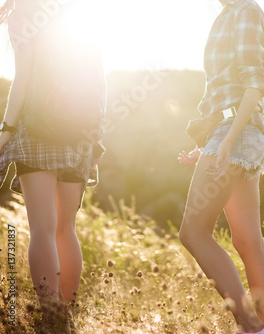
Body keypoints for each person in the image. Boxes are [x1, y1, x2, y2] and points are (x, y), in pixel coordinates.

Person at [0, 0, 105, 328]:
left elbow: (23, 77)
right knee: (65, 228)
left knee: (43, 228)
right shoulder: (75, 9)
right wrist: (95, 130)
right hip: (80, 130)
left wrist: (6, 130)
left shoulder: (23, 13)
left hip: (37, 128)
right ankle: (67, 318)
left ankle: (51, 318)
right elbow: (98, 73)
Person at [178, 0, 264, 333]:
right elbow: (226, 93)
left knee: (193, 231)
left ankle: (252, 327)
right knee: (247, 240)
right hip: (232, 132)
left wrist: (226, 141)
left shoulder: (246, 11)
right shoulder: (228, 14)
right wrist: (207, 145)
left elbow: (254, 84)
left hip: (238, 132)